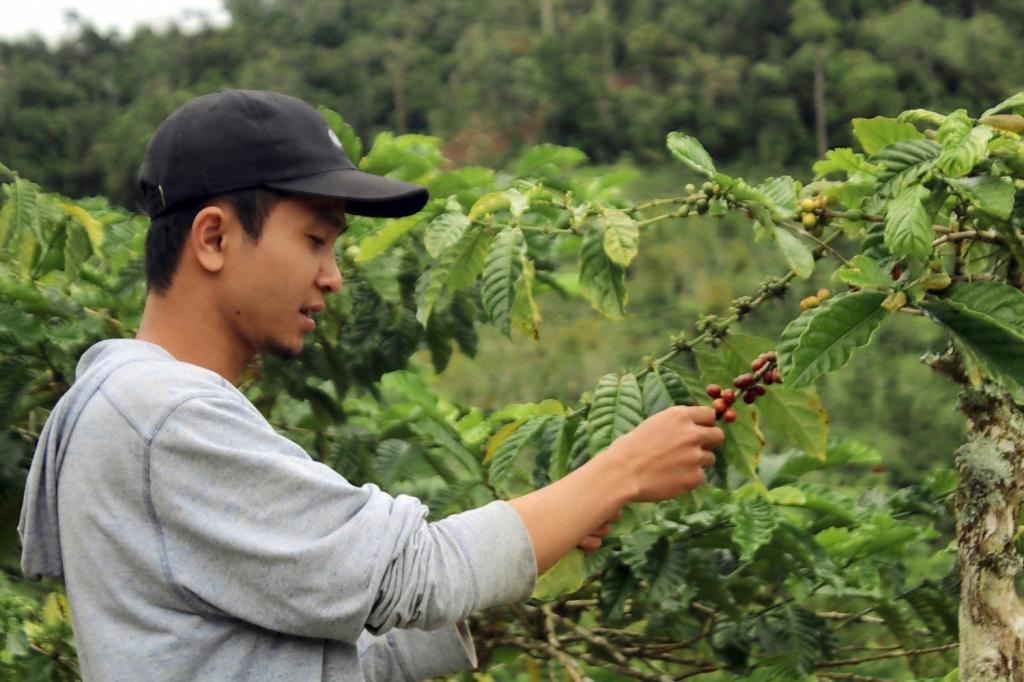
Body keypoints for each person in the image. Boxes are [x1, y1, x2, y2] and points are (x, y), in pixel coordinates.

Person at [18, 89, 723, 681]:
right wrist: (619, 472)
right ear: (213, 238)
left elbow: (287, 659)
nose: (332, 276)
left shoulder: (129, 402)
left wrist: (549, 523)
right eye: (314, 240)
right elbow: (412, 576)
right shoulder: (164, 415)